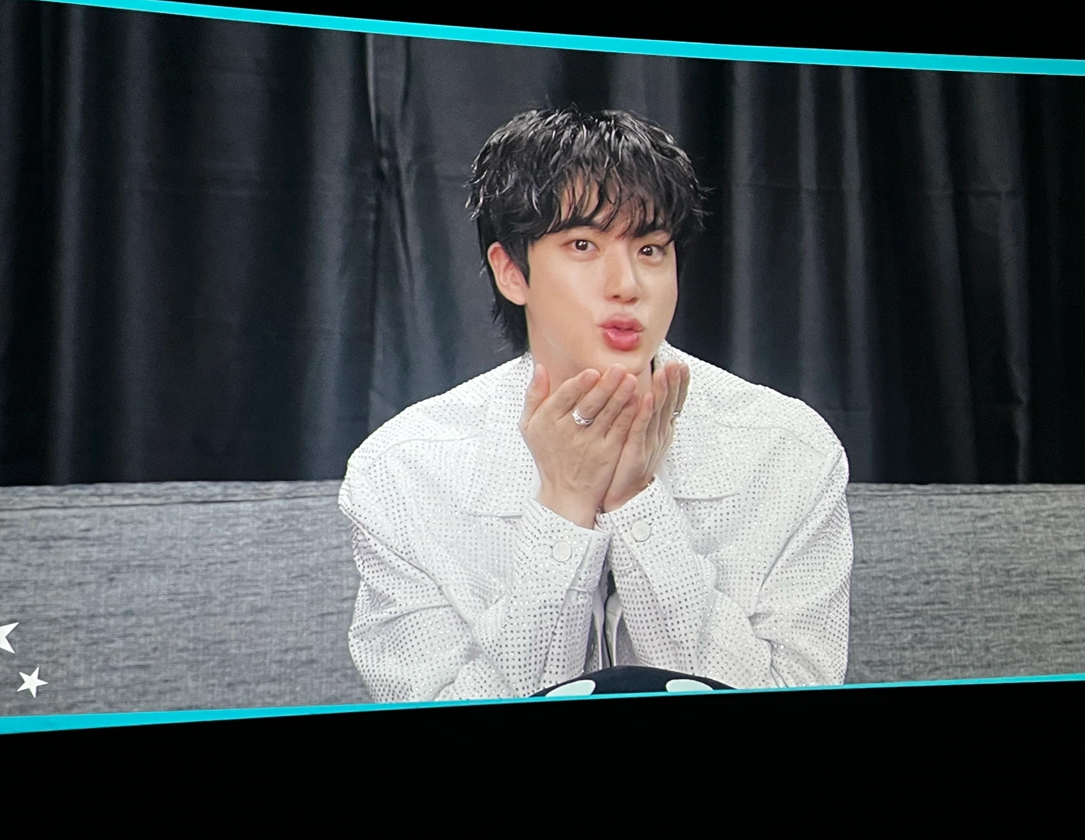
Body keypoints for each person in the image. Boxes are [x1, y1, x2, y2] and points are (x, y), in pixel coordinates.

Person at [338, 107, 853, 702]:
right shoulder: (401, 473)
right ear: (511, 271)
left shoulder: (789, 451)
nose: (626, 285)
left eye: (651, 249)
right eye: (583, 244)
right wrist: (565, 503)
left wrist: (636, 502)